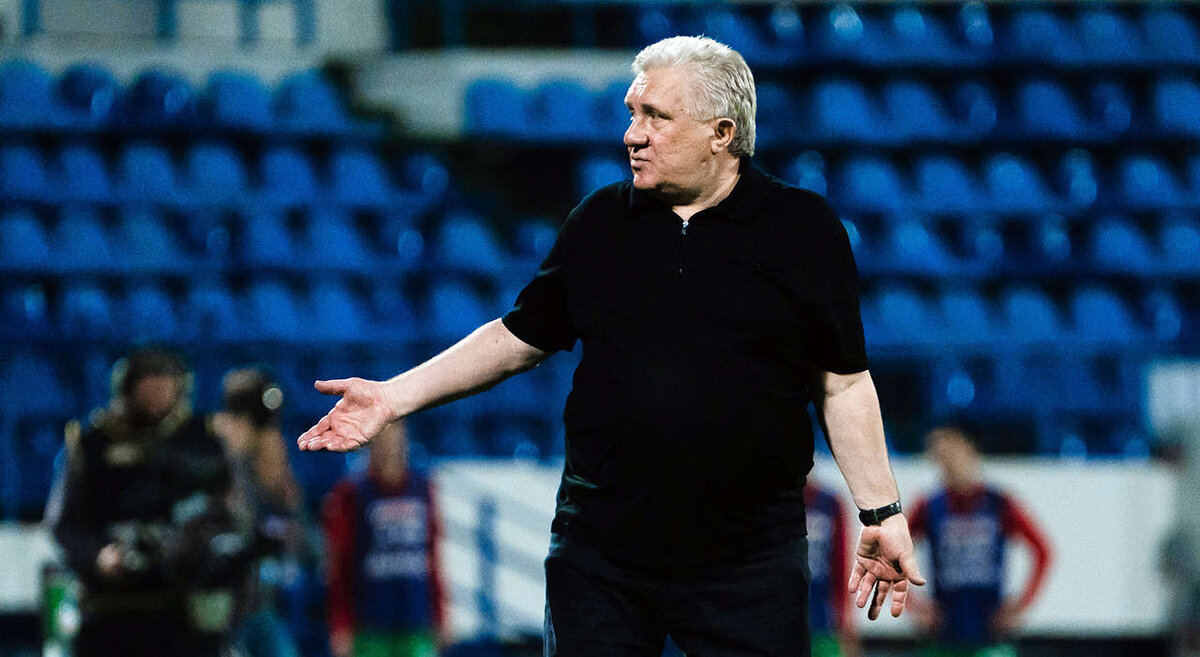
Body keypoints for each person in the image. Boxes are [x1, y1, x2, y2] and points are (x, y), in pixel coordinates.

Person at [298, 35, 925, 656]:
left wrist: (882, 513)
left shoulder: (803, 230)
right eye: (632, 113)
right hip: (602, 557)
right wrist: (392, 397)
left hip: (749, 561)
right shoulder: (600, 222)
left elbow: (843, 383)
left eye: (656, 116)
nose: (632, 134)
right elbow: (518, 337)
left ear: (722, 133)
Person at [45, 346, 246, 657]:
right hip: (110, 607)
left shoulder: (205, 440)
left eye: (166, 382)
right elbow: (63, 523)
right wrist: (98, 556)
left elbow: (233, 514)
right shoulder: (91, 443)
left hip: (186, 608)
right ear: (127, 387)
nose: (158, 392)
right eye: (148, 382)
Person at [907, 425, 1054, 657]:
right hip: (943, 634)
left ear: (970, 448)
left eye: (950, 448)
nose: (945, 458)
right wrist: (913, 606)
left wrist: (1021, 606)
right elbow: (892, 555)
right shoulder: (929, 506)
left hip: (990, 635)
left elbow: (1043, 551)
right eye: (938, 453)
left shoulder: (1000, 503)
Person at [322, 420, 446, 657]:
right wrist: (340, 625)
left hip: (416, 621)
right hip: (369, 626)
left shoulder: (422, 489)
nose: (390, 447)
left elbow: (432, 558)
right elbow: (339, 566)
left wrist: (440, 616)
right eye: (383, 440)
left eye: (396, 439)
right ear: (371, 444)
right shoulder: (351, 493)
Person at [212, 367, 308, 657]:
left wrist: (284, 492)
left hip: (259, 597)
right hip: (219, 598)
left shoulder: (270, 453)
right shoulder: (213, 450)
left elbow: (299, 537)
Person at [805, 481, 861, 657]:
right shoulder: (771, 503)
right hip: (778, 617)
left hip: (821, 618)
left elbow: (841, 565)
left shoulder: (829, 502)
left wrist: (847, 618)